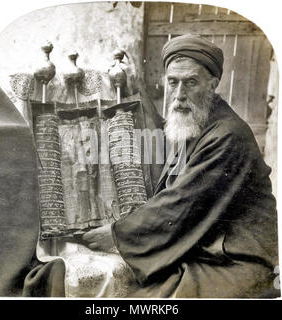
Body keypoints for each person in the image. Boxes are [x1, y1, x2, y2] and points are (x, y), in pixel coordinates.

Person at [81, 35, 279, 298]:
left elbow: (182, 202)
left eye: (191, 83)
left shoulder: (228, 135)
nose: (179, 94)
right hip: (202, 248)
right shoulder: (197, 120)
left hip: (233, 260)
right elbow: (163, 138)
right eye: (173, 82)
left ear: (212, 85)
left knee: (141, 301)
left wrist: (117, 235)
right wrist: (135, 86)